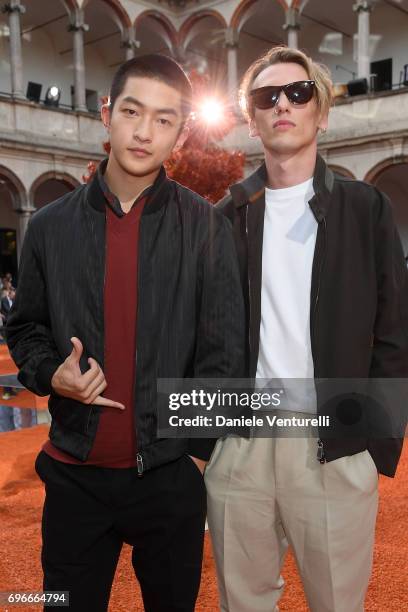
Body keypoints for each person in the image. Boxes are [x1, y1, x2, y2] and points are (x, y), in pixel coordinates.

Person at [6, 54, 244, 612]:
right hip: (74, 478)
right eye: (133, 112)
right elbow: (26, 328)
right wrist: (49, 374)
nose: (144, 132)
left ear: (181, 133)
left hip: (169, 478)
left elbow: (225, 350)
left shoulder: (206, 226)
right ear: (106, 114)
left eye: (164, 119)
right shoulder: (47, 227)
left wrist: (197, 459)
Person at [205, 46, 408, 612]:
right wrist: (207, 438)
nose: (284, 105)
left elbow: (395, 332)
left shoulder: (365, 208)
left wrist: (371, 442)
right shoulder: (224, 219)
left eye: (299, 92)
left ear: (320, 110)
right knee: (241, 605)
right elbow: (199, 332)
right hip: (242, 444)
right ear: (253, 118)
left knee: (338, 605)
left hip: (333, 443)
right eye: (267, 97)